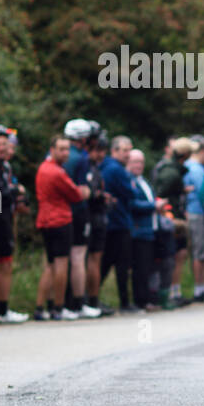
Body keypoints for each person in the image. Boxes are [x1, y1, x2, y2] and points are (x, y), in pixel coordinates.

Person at [34, 135, 89, 321]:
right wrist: (84, 192)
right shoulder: (57, 172)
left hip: (45, 220)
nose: (66, 153)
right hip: (59, 220)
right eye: (62, 149)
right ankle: (58, 306)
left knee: (50, 265)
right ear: (52, 150)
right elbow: (76, 194)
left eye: (67, 149)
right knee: (61, 265)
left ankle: (40, 307)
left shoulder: (43, 168)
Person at [0, 126, 28, 322]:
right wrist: (14, 191)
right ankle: (0, 308)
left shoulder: (1, 165)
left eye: (5, 144)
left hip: (3, 218)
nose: (2, 148)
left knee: (3, 263)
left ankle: (1, 307)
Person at [62, 119, 99, 316]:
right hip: (77, 211)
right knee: (78, 257)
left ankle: (59, 304)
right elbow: (84, 191)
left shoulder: (56, 154)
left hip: (60, 211)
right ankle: (77, 302)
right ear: (83, 138)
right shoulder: (81, 157)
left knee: (59, 260)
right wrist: (92, 192)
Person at [100, 135, 136, 311]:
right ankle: (124, 302)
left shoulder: (108, 166)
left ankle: (91, 298)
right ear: (114, 151)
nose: (128, 154)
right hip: (118, 223)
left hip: (114, 221)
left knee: (107, 262)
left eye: (130, 150)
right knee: (120, 264)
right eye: (125, 150)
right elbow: (130, 192)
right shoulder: (115, 169)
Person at [154, 136, 190, 306]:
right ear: (185, 155)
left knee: (180, 254)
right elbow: (160, 195)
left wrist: (182, 191)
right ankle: (169, 294)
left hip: (177, 215)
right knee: (173, 255)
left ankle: (175, 291)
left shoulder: (176, 170)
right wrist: (170, 217)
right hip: (170, 219)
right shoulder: (171, 172)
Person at [126, 149, 161, 311]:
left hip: (150, 228)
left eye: (141, 162)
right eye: (135, 162)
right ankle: (140, 300)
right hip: (138, 230)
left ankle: (149, 298)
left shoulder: (143, 180)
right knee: (139, 267)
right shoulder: (129, 180)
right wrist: (154, 205)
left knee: (148, 266)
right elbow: (132, 204)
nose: (138, 165)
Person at [84, 132, 113, 315]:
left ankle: (92, 300)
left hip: (98, 218)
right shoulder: (85, 166)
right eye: (96, 150)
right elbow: (88, 194)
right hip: (89, 218)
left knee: (94, 259)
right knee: (87, 260)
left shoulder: (96, 167)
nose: (100, 154)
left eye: (103, 151)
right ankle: (85, 301)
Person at [183, 137, 204, 302]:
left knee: (196, 250)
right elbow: (203, 193)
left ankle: (200, 286)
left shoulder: (186, 166)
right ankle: (200, 287)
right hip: (198, 212)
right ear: (203, 150)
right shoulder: (197, 169)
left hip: (190, 211)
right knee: (200, 251)